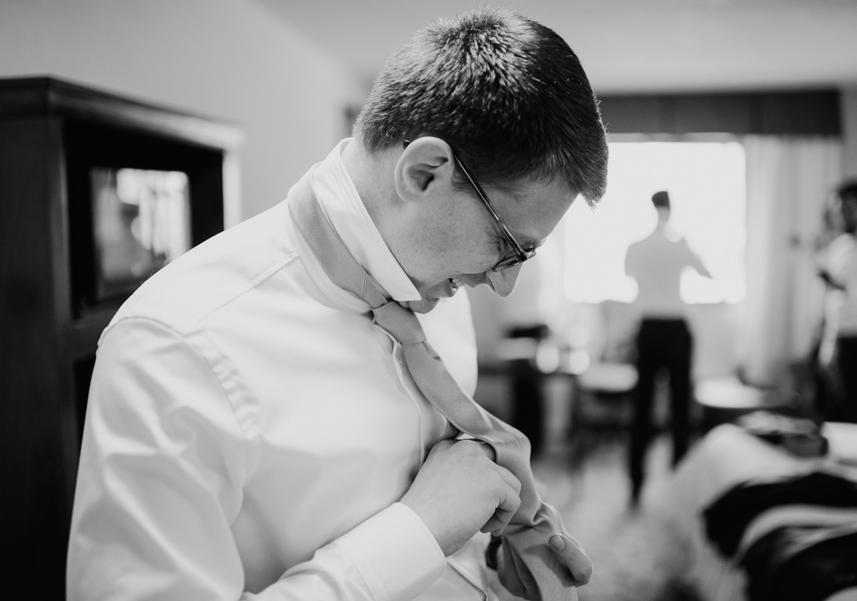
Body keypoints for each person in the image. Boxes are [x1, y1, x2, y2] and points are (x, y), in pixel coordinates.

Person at [67, 8, 608, 601]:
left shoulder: (434, 281)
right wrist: (417, 531)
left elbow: (446, 496)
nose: (502, 285)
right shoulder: (175, 346)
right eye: (508, 246)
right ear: (426, 173)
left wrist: (482, 554)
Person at [623, 190, 711, 505]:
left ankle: (635, 482)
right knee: (680, 407)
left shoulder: (636, 247)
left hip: (648, 328)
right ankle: (679, 478)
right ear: (670, 210)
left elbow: (629, 277)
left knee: (642, 407)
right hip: (675, 328)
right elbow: (707, 273)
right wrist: (686, 249)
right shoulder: (679, 246)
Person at [827, 180, 857, 422]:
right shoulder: (838, 247)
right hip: (841, 335)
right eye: (839, 209)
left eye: (849, 208)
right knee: (841, 406)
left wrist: (844, 286)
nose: (843, 215)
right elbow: (832, 300)